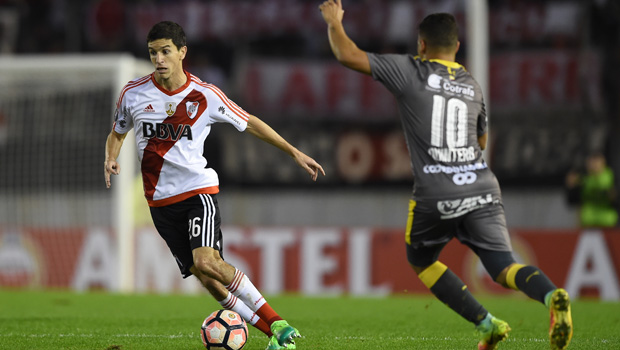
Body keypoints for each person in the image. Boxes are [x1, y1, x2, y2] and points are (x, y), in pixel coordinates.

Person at [319, 2, 572, 349]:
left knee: (421, 260)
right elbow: (481, 141)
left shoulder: (410, 70)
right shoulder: (472, 84)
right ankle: (551, 295)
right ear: (456, 46)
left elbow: (347, 54)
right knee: (503, 266)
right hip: (482, 187)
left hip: (437, 190)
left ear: (421, 45)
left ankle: (486, 324)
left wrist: (334, 21)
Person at [104, 21, 325, 350]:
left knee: (209, 262)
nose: (159, 59)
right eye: (153, 52)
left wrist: (292, 151)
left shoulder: (204, 95)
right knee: (205, 277)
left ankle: (278, 320)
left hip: (197, 193)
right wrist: (110, 157)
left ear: (182, 52)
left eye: (166, 51)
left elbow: (249, 122)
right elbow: (118, 132)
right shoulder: (133, 93)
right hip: (159, 203)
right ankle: (277, 338)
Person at [565, 152, 618, 228]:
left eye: (597, 161)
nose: (594, 165)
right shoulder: (583, 178)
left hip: (607, 223)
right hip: (588, 223)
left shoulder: (611, 176)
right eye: (592, 162)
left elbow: (614, 197)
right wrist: (571, 187)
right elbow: (571, 200)